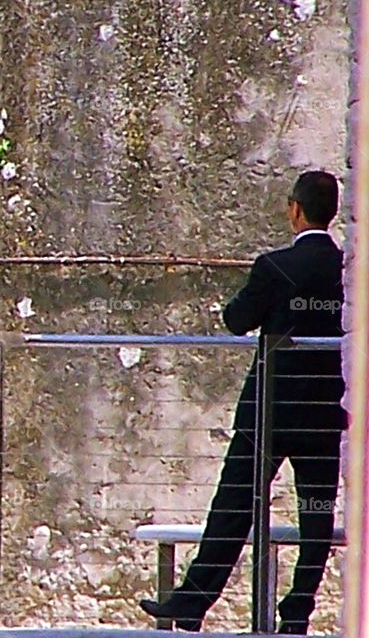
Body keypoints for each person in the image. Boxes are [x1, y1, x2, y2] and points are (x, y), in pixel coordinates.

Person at [139, 171, 346, 635]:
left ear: (296, 209)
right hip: (323, 414)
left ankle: (192, 602)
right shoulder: (349, 269)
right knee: (316, 515)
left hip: (268, 412)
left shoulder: (274, 266)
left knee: (233, 506)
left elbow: (237, 319)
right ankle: (297, 614)